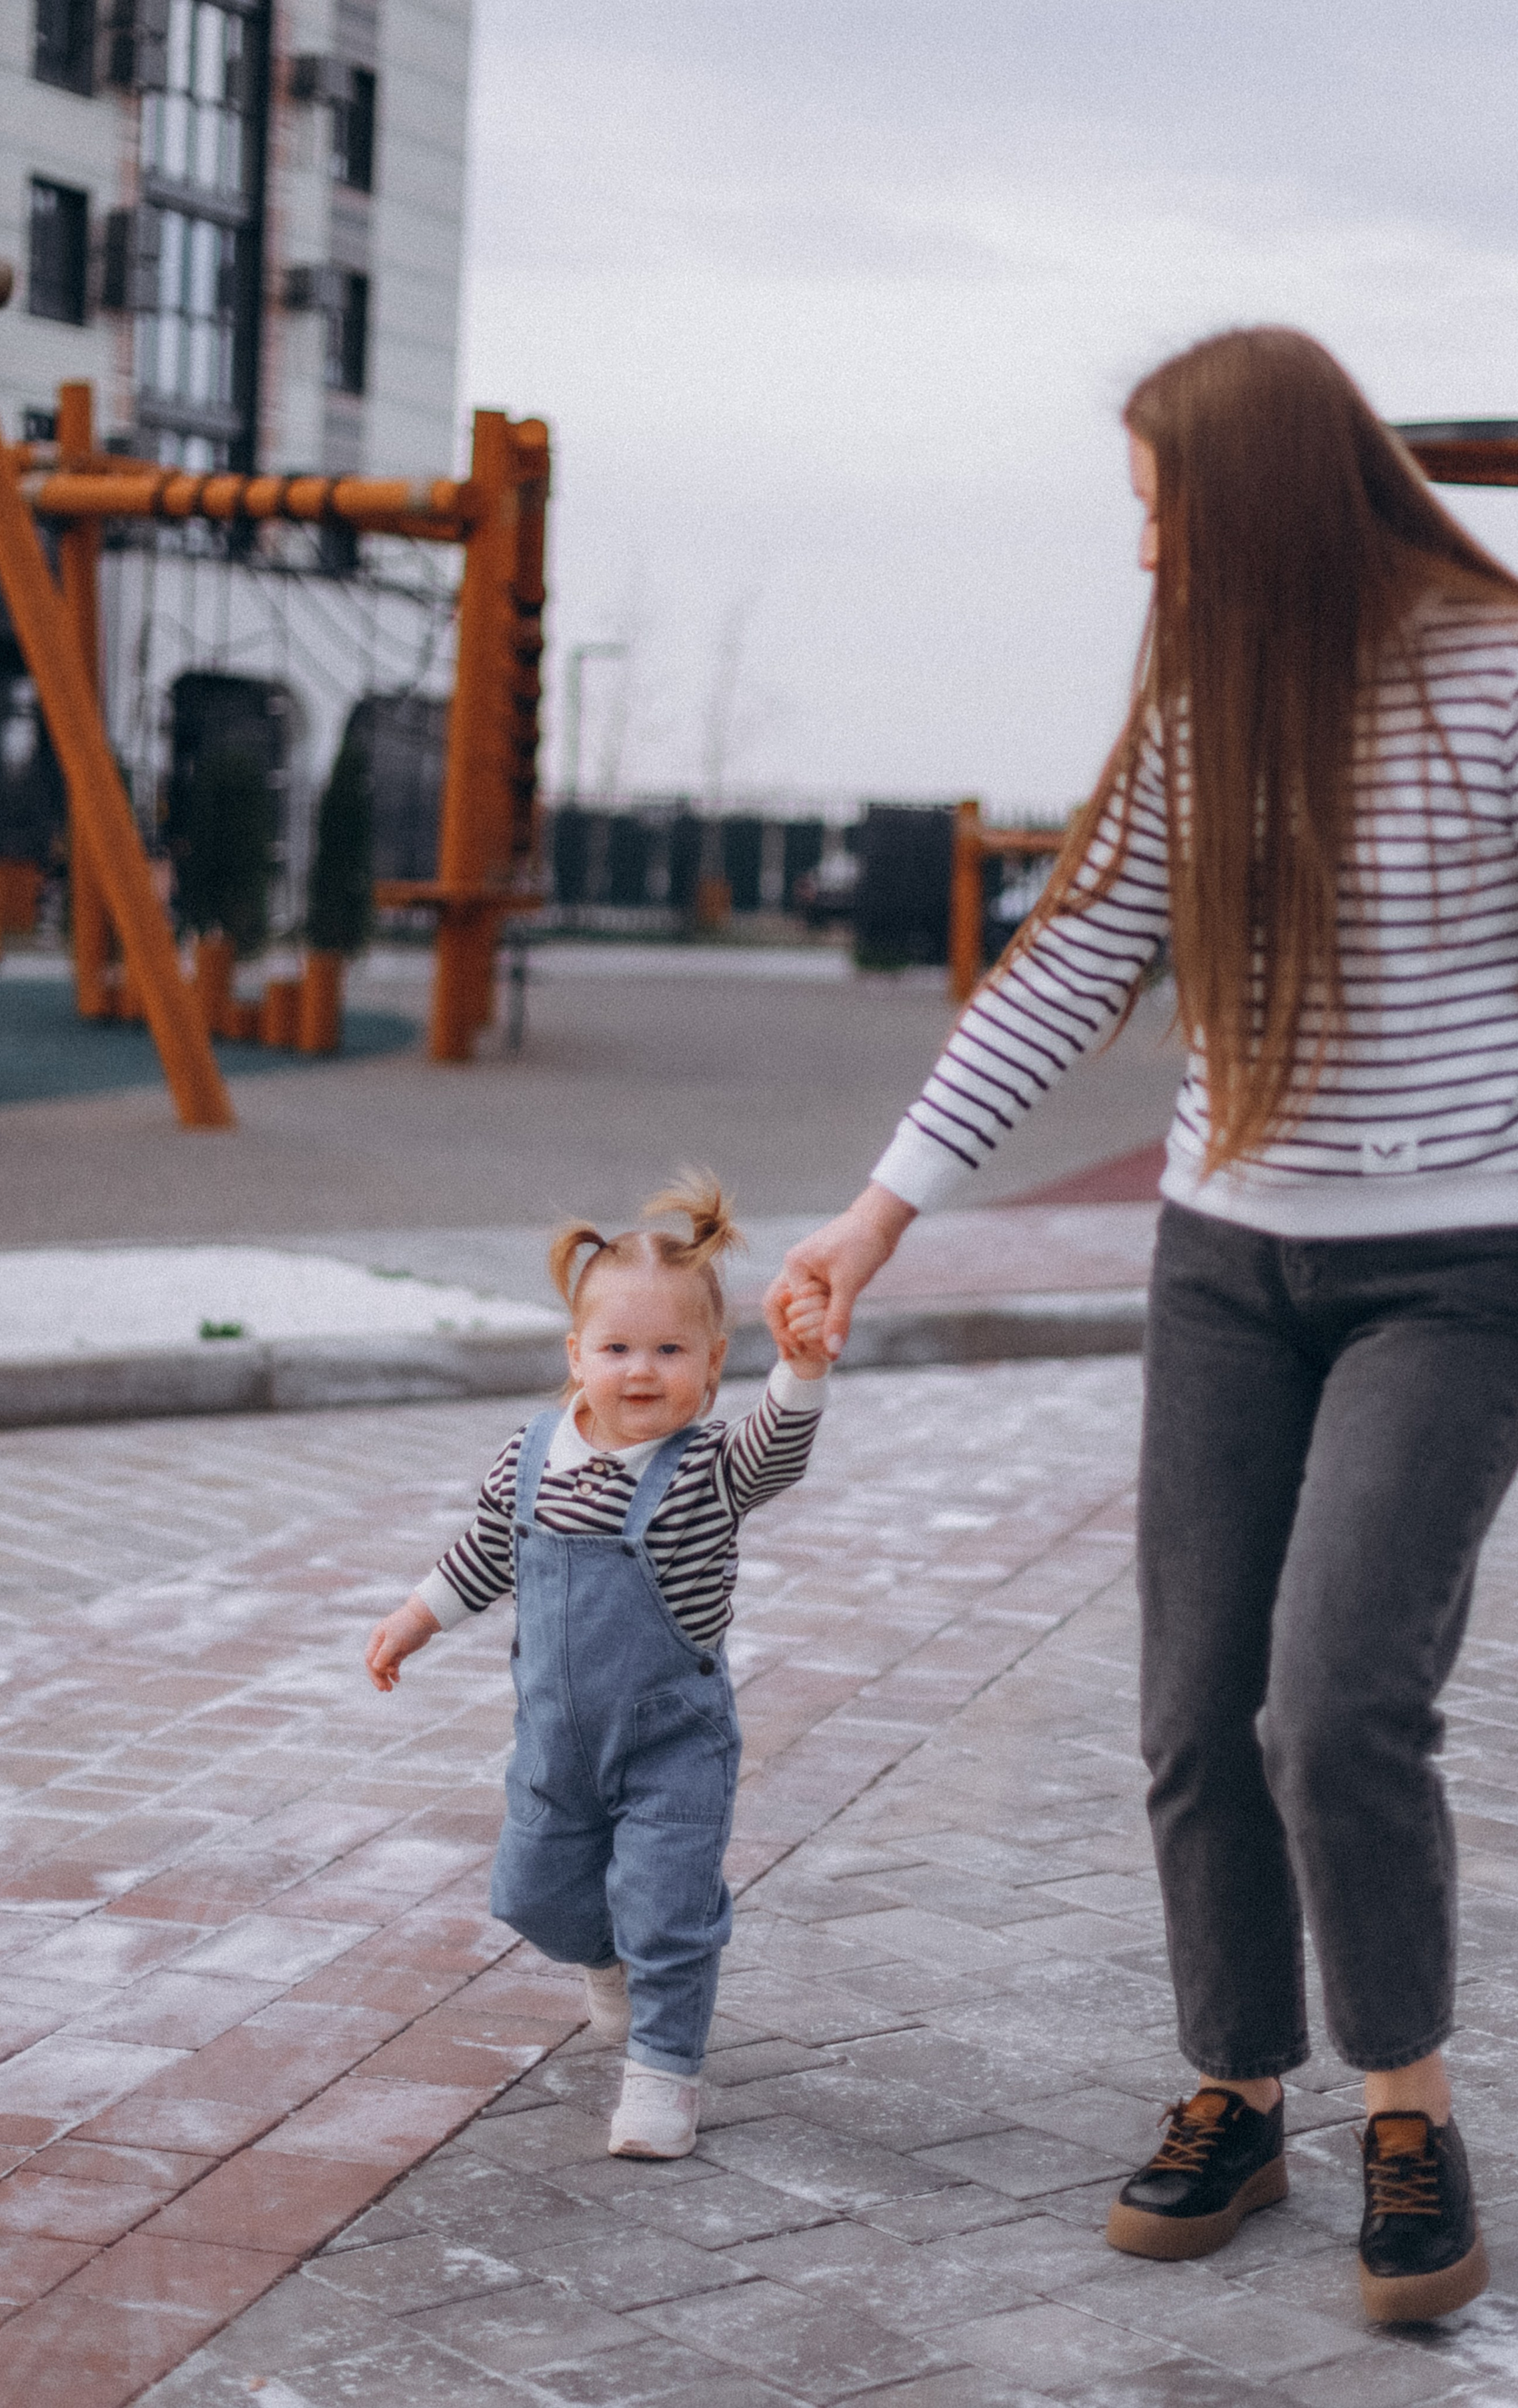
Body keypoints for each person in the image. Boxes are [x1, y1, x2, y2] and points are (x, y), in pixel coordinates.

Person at [768, 327, 1518, 2322]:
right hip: (1226, 1267)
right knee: (1196, 1708)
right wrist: (878, 1213)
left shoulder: (1501, 672)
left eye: (1161, 510)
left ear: (1254, 497)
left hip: (1457, 1271)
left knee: (1335, 1699)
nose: (1145, 556)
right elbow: (1066, 965)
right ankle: (1236, 2087)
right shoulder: (1213, 700)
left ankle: (1409, 2113)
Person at [367, 1172, 831, 2161]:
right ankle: (604, 1961)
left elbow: (779, 1455)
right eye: (617, 1349)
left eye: (670, 1352)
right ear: (576, 1357)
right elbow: (486, 1553)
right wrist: (415, 1618)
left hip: (672, 1744)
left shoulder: (707, 1470)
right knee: (532, 1892)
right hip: (556, 1744)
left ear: (711, 1368)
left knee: (667, 1909)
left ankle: (665, 2076)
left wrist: (799, 1372)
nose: (640, 1372)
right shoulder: (529, 1459)